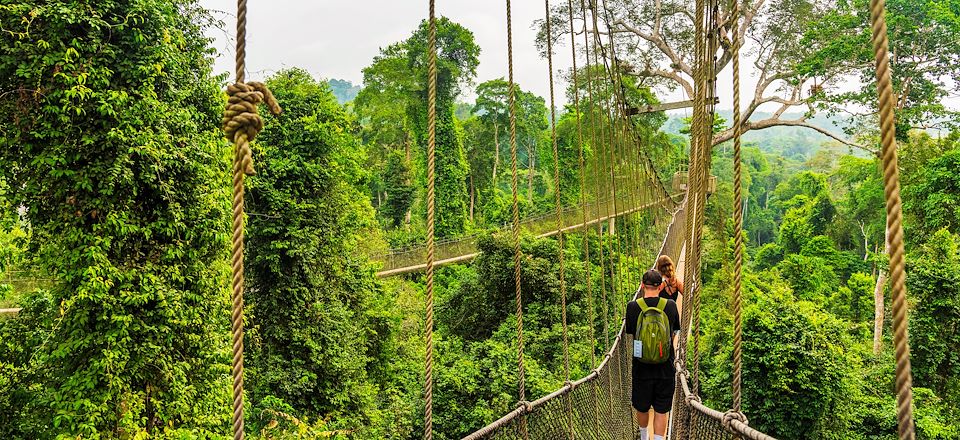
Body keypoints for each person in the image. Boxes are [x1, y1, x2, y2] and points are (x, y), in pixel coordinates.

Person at [625, 269, 681, 440]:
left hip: (641, 368)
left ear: (642, 285)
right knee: (661, 409)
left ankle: (643, 437)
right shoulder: (670, 305)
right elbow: (675, 331)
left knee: (642, 407)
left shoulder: (633, 307)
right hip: (665, 366)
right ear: (660, 286)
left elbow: (631, 332)